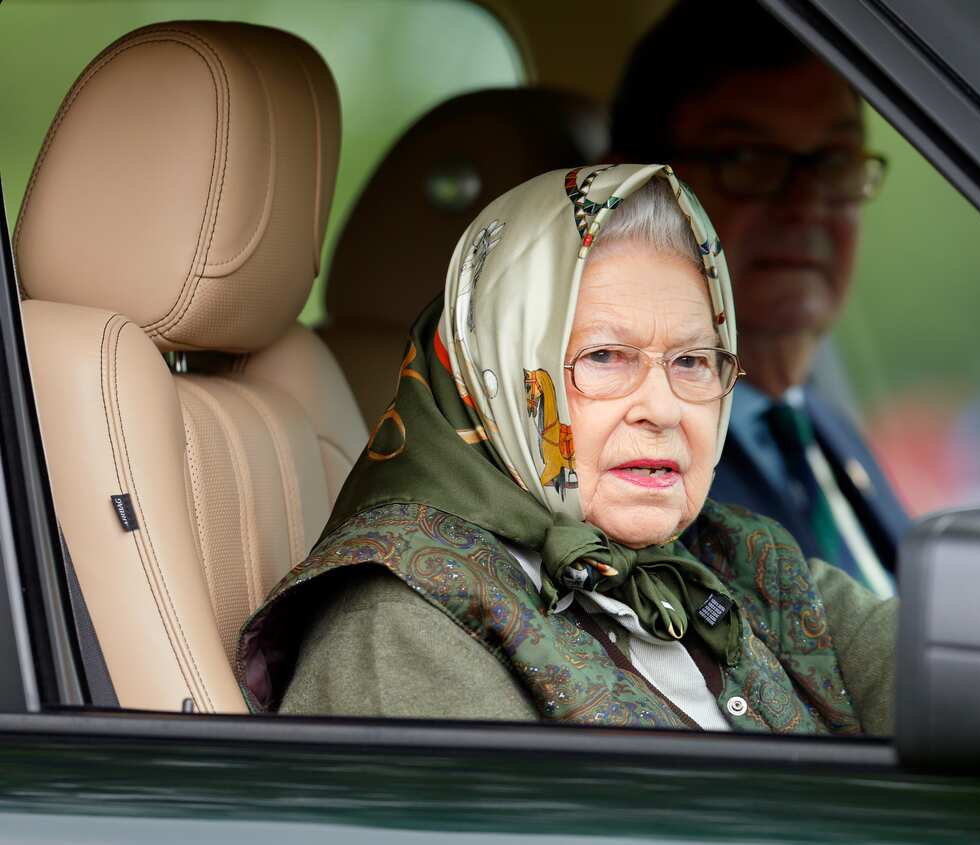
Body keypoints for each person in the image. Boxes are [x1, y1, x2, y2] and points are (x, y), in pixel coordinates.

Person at [236, 165, 898, 735]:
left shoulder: (742, 563)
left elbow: (950, 663)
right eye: (605, 356)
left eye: (694, 361)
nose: (665, 409)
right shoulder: (404, 630)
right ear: (497, 373)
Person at [610, 1, 910, 596]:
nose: (805, 204)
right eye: (746, 159)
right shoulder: (632, 466)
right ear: (634, 194)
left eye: (832, 161)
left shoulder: (814, 425)